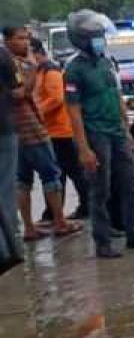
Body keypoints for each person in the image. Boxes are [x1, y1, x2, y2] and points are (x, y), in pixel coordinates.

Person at [63, 10, 134, 258]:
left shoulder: (107, 61)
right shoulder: (73, 70)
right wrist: (83, 148)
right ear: (82, 39)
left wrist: (127, 130)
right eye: (96, 37)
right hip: (95, 134)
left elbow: (117, 96)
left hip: (116, 131)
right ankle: (102, 241)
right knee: (100, 188)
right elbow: (73, 112)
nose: (100, 41)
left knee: (129, 185)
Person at [3, 26, 77, 240]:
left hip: (14, 130)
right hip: (29, 127)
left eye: (26, 38)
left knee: (22, 179)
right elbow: (21, 93)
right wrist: (33, 69)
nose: (25, 43)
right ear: (6, 40)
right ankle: (59, 222)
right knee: (51, 174)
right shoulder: (11, 63)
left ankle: (29, 227)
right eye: (19, 38)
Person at [30, 38, 89, 223]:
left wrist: (35, 112)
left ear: (36, 52)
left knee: (72, 172)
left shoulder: (51, 71)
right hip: (51, 131)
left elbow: (56, 98)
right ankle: (56, 212)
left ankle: (85, 206)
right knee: (61, 173)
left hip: (61, 132)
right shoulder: (38, 71)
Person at [0, 41, 22, 270]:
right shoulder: (3, 55)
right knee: (5, 190)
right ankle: (9, 249)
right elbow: (19, 91)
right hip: (4, 130)